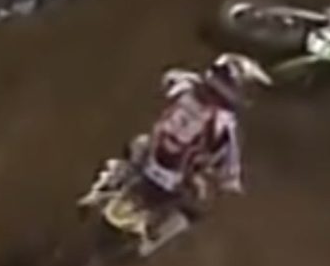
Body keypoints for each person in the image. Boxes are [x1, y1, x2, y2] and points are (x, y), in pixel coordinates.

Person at [79, 53, 272, 250]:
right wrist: (230, 182)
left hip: (150, 157)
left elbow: (168, 78)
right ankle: (151, 241)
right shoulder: (225, 123)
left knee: (137, 147)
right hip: (176, 177)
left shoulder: (186, 86)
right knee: (201, 203)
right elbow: (230, 166)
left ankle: (102, 186)